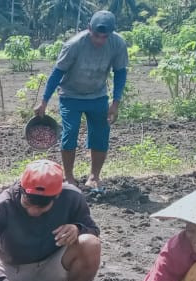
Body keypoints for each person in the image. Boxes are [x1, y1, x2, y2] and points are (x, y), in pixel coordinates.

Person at [33, 10, 129, 193]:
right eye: (96, 35)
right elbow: (57, 72)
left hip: (98, 95)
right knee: (70, 133)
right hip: (70, 96)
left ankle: (94, 177)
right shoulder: (74, 45)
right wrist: (44, 101)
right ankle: (69, 177)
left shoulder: (118, 44)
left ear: (111, 34)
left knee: (101, 134)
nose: (100, 40)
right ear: (89, 29)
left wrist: (115, 103)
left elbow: (120, 72)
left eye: (104, 37)